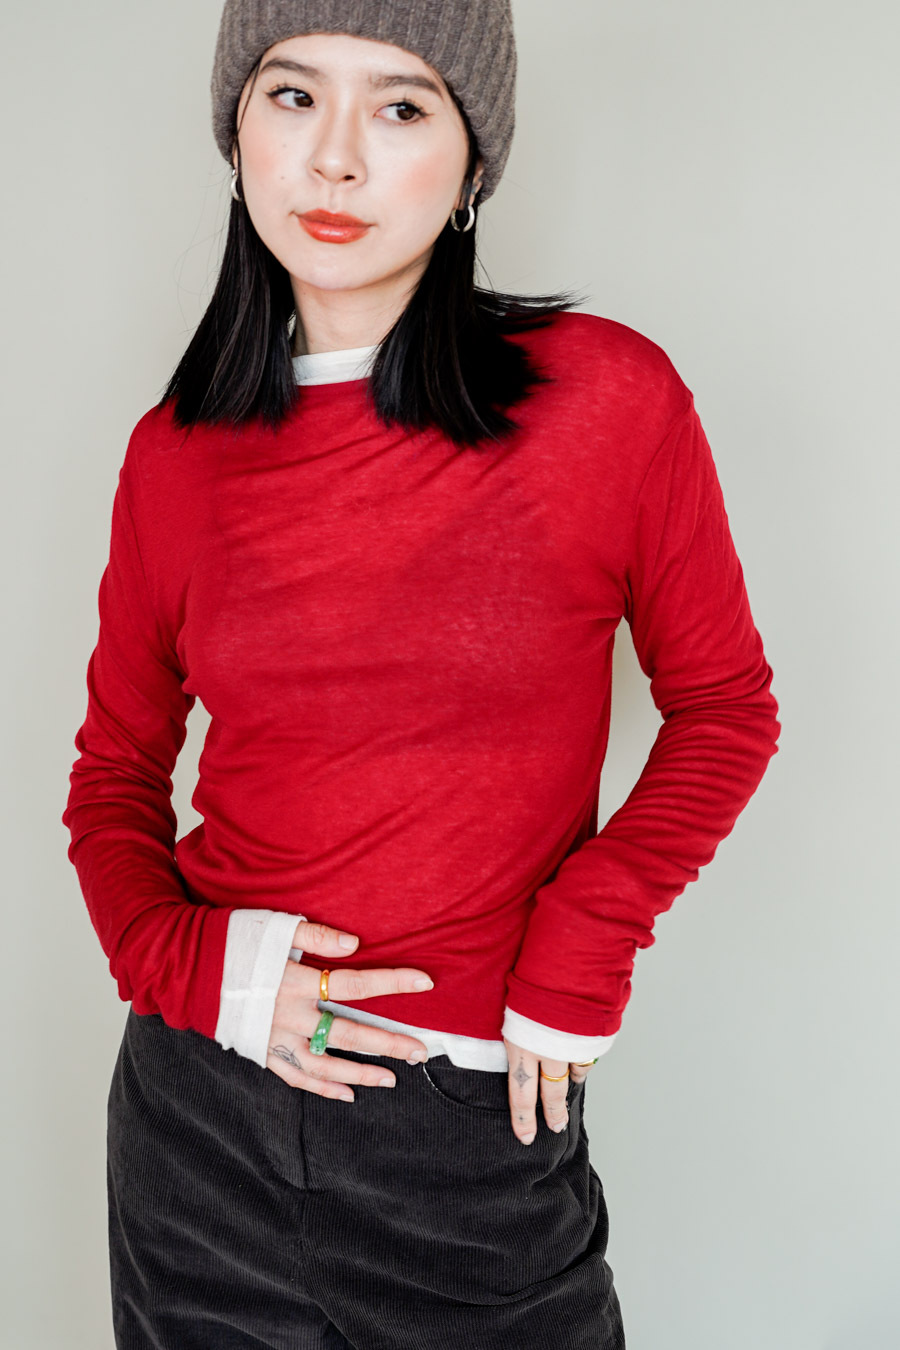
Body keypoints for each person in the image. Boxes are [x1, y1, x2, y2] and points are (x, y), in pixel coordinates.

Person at [62, 2, 781, 1346]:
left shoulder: (608, 399)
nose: (335, 157)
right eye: (292, 96)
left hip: (472, 1139)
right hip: (199, 1124)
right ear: (237, 127)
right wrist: (198, 970)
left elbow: (726, 708)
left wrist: (587, 933)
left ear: (472, 160)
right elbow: (113, 772)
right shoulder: (175, 453)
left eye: (401, 107)